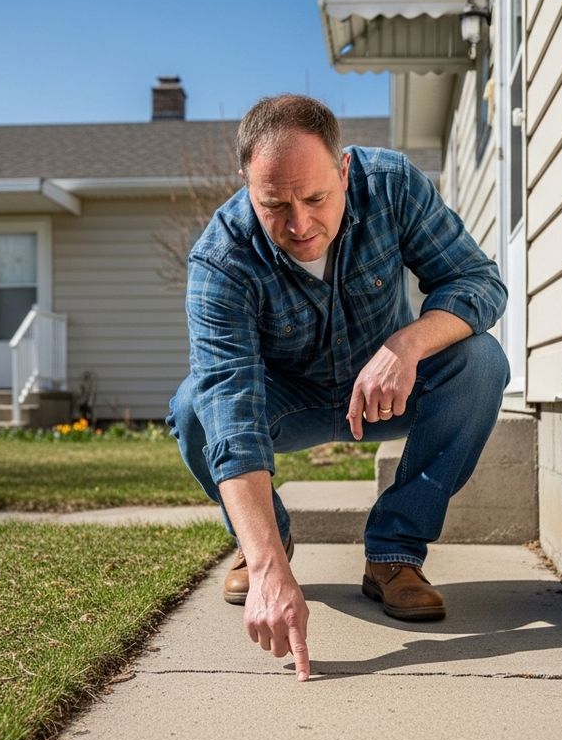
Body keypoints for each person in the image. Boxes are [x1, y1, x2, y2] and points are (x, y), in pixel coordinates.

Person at [166, 94, 508, 682]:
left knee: (480, 360)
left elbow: (477, 282)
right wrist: (272, 571)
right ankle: (266, 544)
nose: (300, 225)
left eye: (316, 198)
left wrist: (406, 345)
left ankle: (394, 554)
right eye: (275, 204)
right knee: (194, 405)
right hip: (287, 402)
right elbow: (230, 411)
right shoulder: (220, 260)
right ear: (246, 181)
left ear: (344, 170)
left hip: (387, 390)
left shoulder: (392, 186)